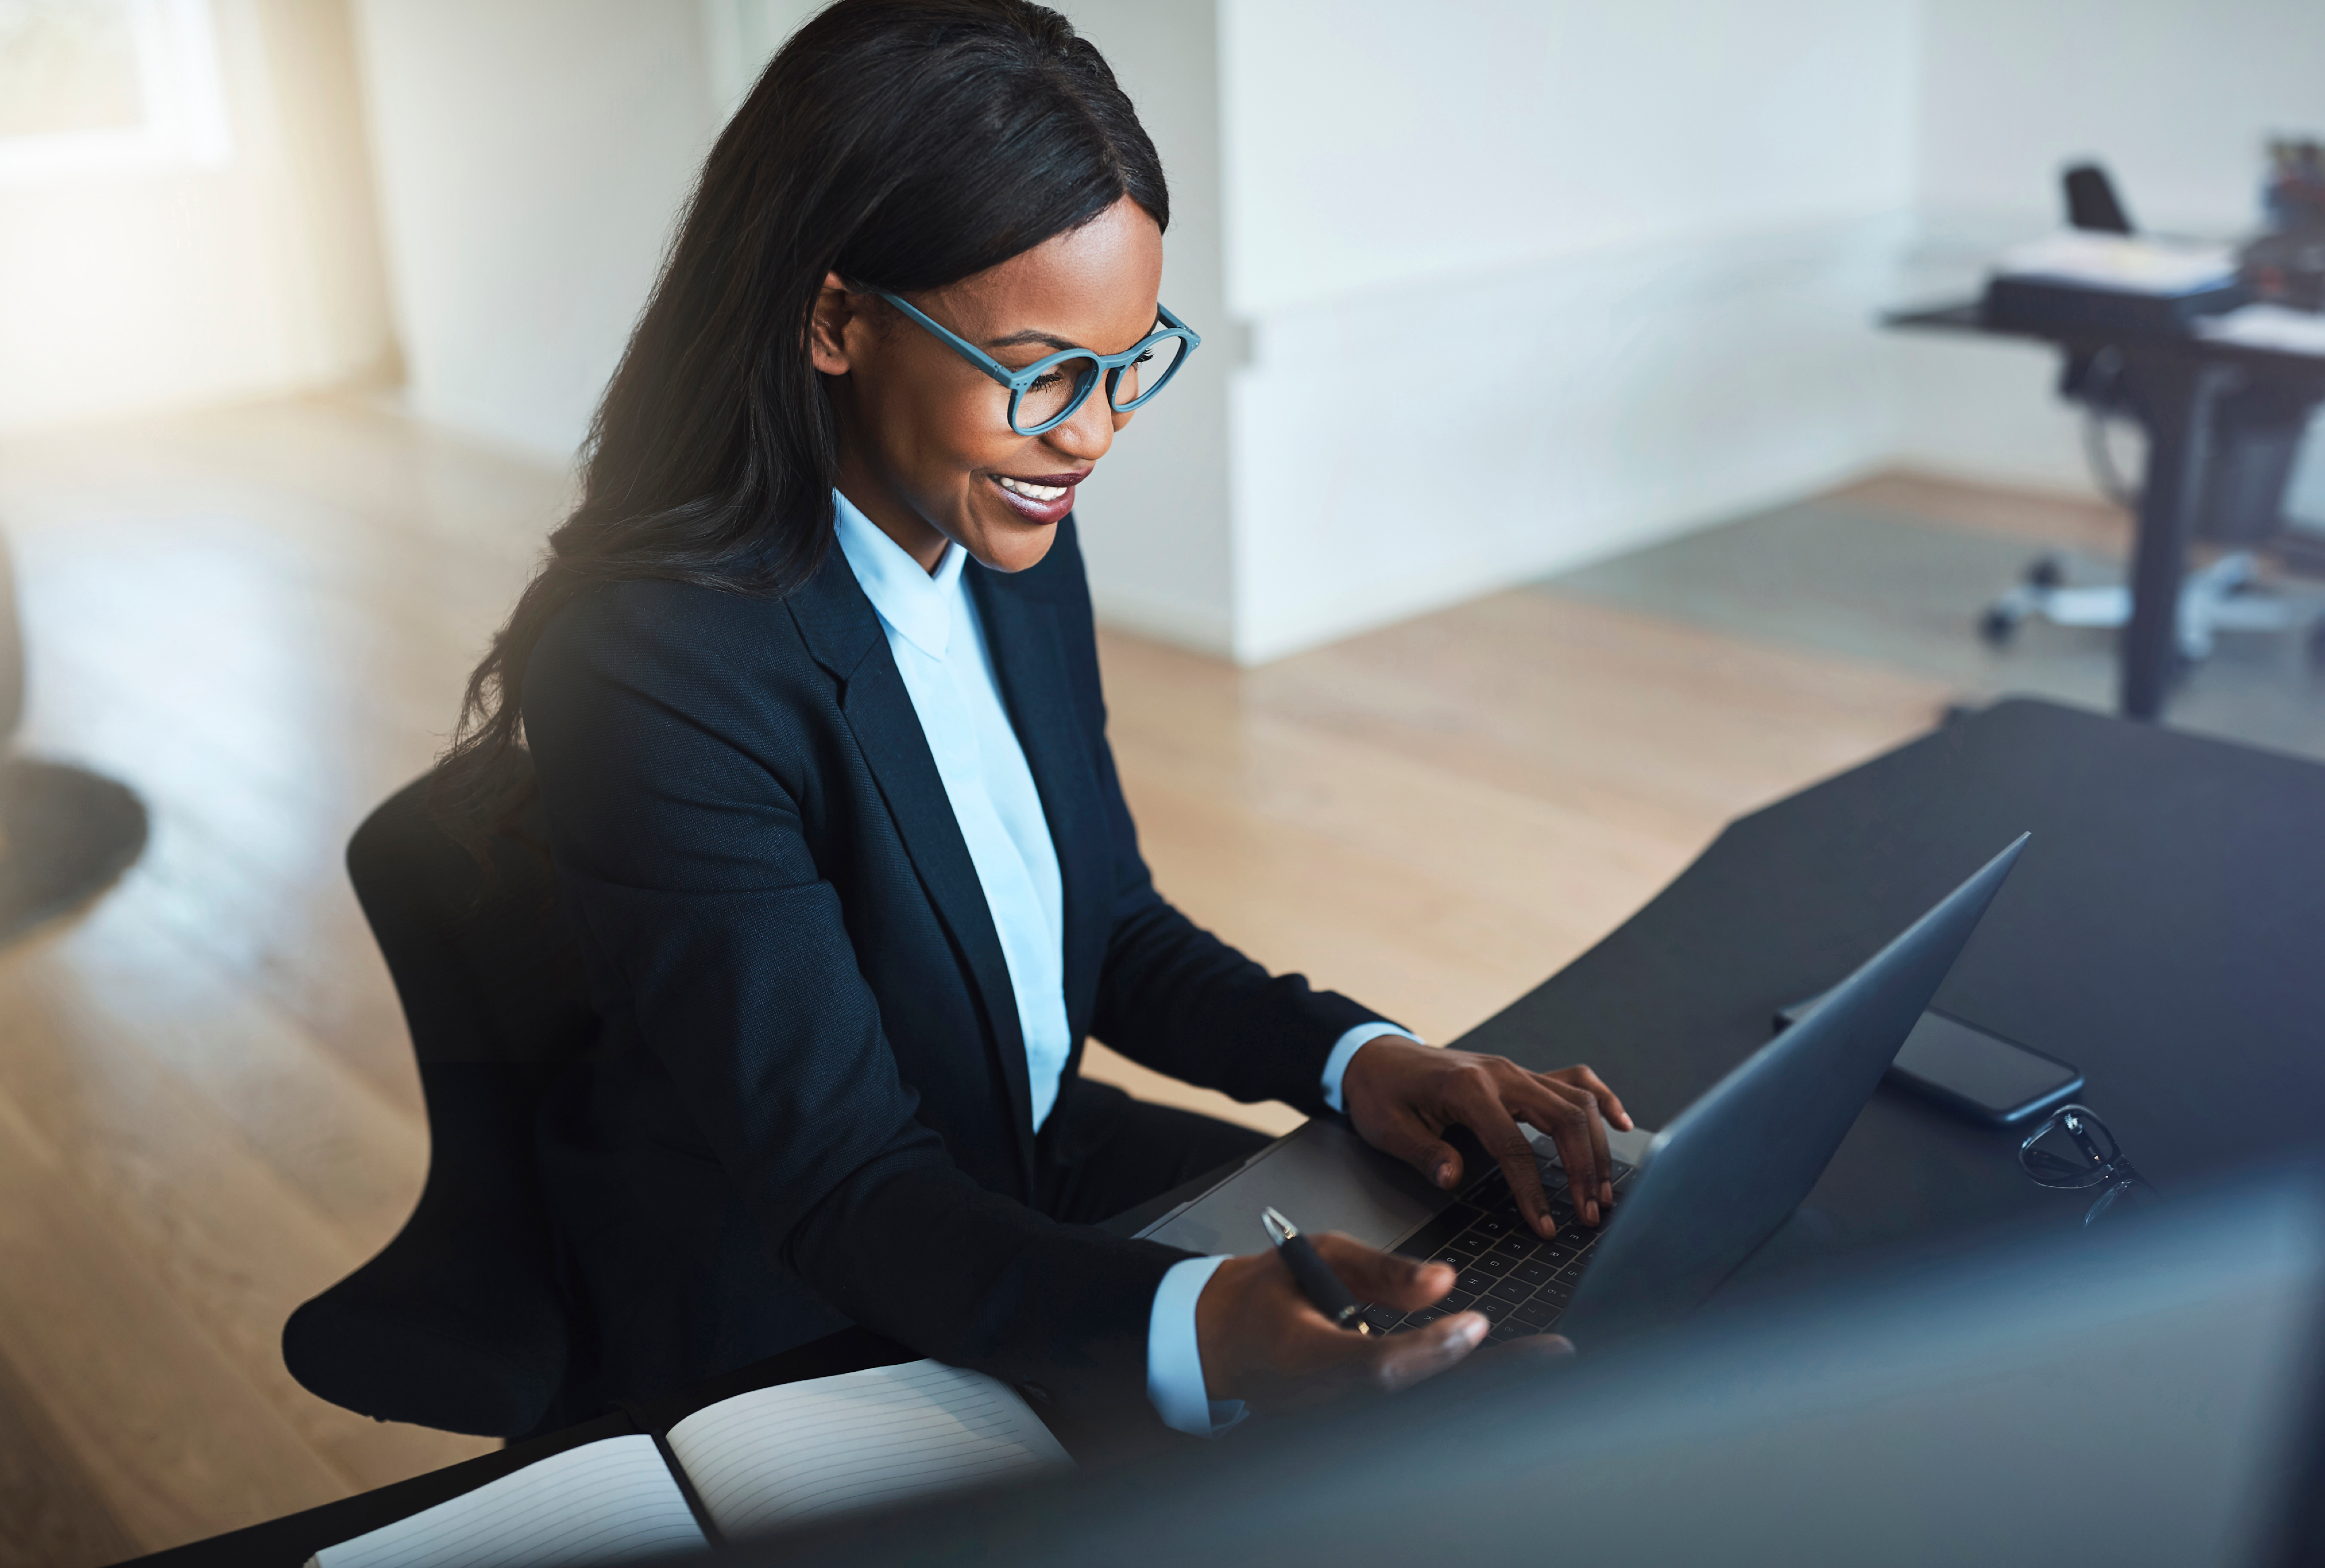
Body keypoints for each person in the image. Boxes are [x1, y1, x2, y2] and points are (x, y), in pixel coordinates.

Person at [439, 0, 1632, 1439]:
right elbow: (841, 1184)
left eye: (1128, 363)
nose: (1091, 433)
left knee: (1506, 1296)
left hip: (1015, 1156)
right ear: (836, 321)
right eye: (1042, 371)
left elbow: (1111, 927)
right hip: (793, 1291)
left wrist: (1366, 1062)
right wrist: (1197, 1325)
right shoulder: (654, 666)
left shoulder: (1004, 530)